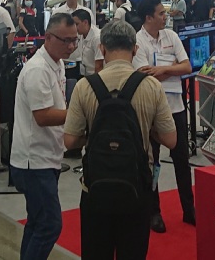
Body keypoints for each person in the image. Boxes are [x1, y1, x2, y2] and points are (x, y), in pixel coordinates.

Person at [65, 19, 177, 260]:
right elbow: (171, 139)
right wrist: (146, 130)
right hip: (137, 188)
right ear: (135, 49)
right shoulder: (151, 86)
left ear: (102, 49)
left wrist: (92, 135)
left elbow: (70, 141)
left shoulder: (85, 87)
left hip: (94, 188)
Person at [11, 12, 75, 260]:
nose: (71, 46)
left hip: (48, 155)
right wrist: (79, 114)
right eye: (66, 40)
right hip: (34, 161)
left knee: (37, 222)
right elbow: (43, 116)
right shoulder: (38, 69)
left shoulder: (57, 64)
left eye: (75, 40)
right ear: (48, 37)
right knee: (49, 225)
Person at [132, 0, 195, 232]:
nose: (165, 16)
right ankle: (154, 211)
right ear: (148, 17)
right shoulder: (138, 41)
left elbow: (187, 66)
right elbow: (144, 75)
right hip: (152, 111)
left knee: (182, 161)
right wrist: (172, 69)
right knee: (152, 162)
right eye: (160, 13)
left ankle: (189, 209)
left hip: (177, 108)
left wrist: (162, 69)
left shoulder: (172, 36)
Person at [73, 9, 102, 76]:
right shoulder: (80, 34)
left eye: (76, 24)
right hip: (84, 74)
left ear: (85, 22)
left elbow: (99, 65)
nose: (74, 27)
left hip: (95, 76)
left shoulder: (97, 38)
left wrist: (95, 81)